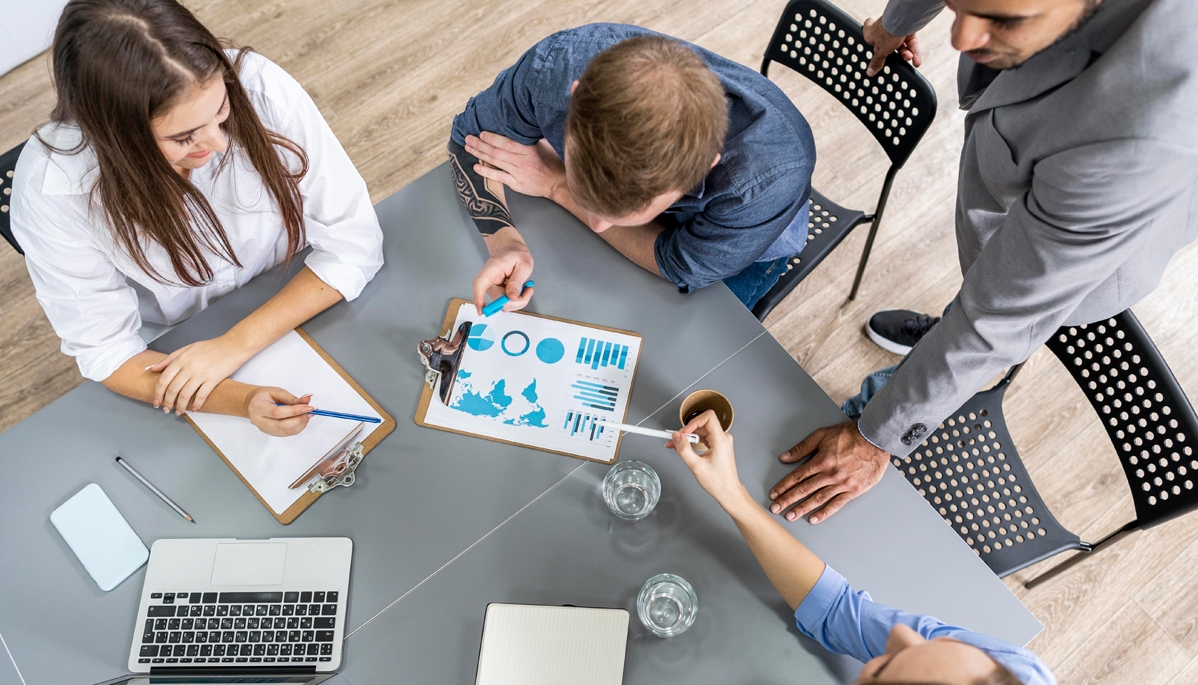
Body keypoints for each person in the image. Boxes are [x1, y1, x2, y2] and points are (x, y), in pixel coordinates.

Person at [768, 0, 1198, 524]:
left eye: (1003, 20)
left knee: (988, 325)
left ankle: (945, 366)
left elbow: (996, 318)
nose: (960, 38)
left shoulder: (1143, 133)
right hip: (1030, 166)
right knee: (977, 291)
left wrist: (874, 438)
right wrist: (896, 24)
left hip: (1091, 239)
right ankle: (941, 341)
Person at [11, 0, 383, 436]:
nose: (218, 143)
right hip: (179, 342)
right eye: (183, 137)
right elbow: (107, 350)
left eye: (221, 109)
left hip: (299, 286)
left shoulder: (258, 86)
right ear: (115, 137)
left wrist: (234, 345)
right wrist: (241, 399)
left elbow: (353, 243)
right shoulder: (53, 188)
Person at [668, 411, 1076, 685]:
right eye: (942, 641)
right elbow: (838, 612)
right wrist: (731, 495)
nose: (900, 634)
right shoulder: (1023, 682)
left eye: (884, 667)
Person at [447, 24, 816, 314]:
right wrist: (504, 242)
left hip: (743, 240)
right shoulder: (556, 66)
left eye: (616, 213)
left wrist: (559, 186)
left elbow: (680, 265)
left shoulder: (770, 180)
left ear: (704, 168)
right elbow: (469, 139)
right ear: (575, 98)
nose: (596, 225)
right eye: (585, 191)